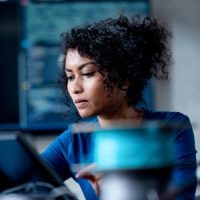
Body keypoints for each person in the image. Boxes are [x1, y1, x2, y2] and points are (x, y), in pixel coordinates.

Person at [41, 14, 197, 200]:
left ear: (123, 78)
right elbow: (21, 183)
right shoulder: (73, 141)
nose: (74, 88)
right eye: (70, 77)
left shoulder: (171, 127)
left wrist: (121, 184)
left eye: (88, 73)